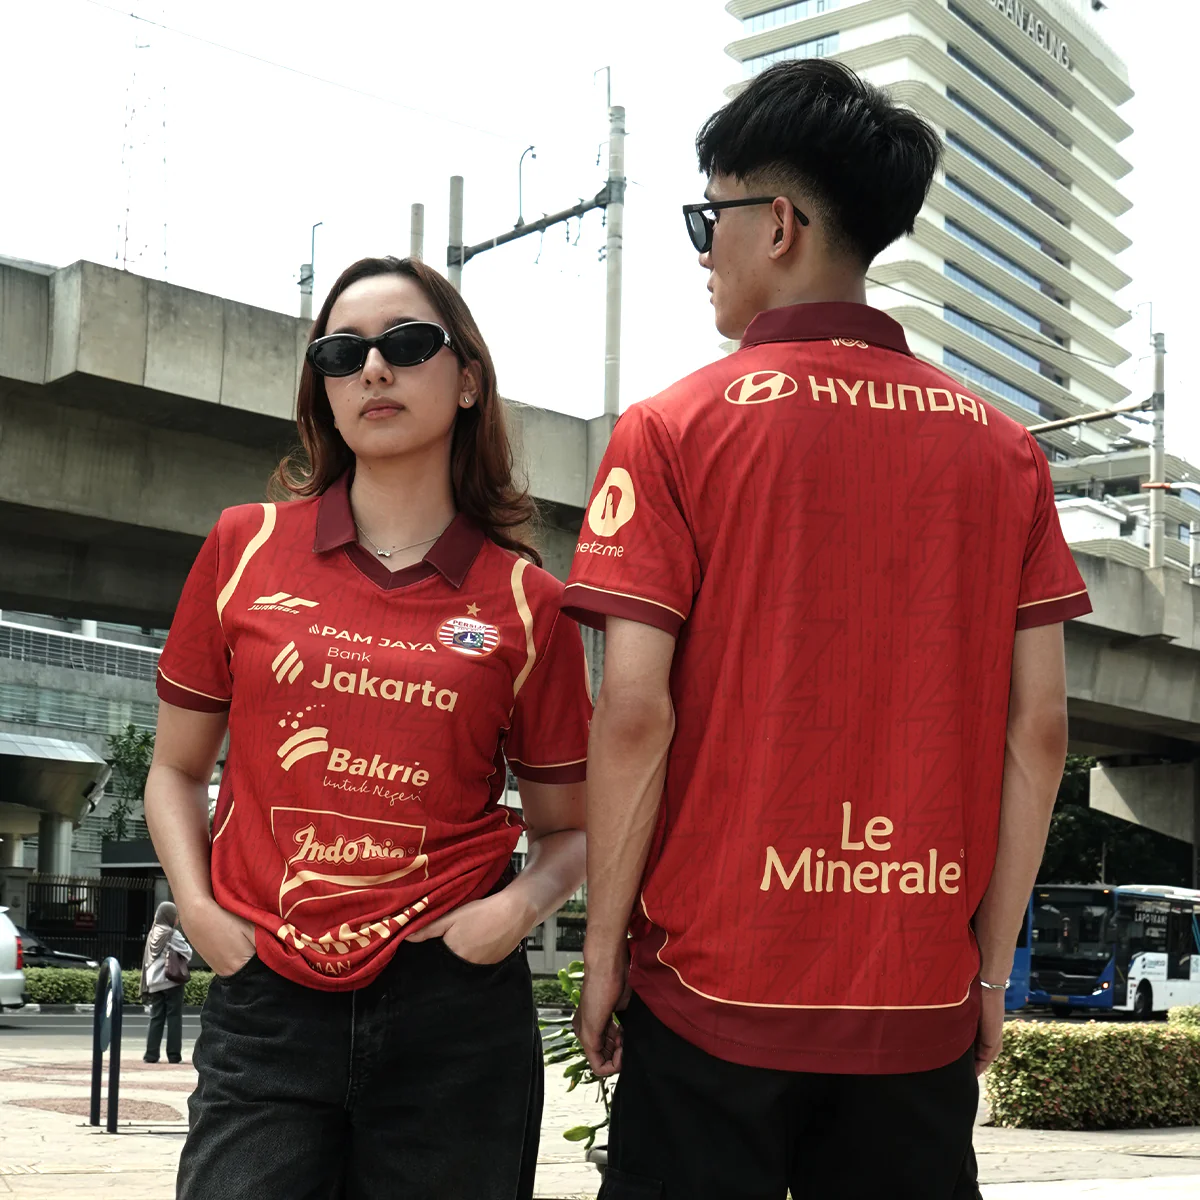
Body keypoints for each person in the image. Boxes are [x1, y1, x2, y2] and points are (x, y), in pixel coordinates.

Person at [562, 60, 1088, 1200]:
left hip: (711, 993)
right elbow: (1039, 731)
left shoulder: (673, 429)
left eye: (710, 216)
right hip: (915, 998)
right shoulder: (1005, 452)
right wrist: (986, 972)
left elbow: (636, 714)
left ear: (779, 224)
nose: (703, 249)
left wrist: (603, 952)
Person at [145, 256, 591, 1200]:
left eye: (408, 344)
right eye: (342, 354)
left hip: (453, 1007)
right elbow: (175, 772)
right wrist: (200, 913)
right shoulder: (244, 547)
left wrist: (512, 915)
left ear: (467, 379)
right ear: (324, 389)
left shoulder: (530, 602)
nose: (373, 370)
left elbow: (572, 829)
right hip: (268, 995)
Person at [140, 900, 191, 1064]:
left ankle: (151, 1055)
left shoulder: (152, 933)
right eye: (176, 916)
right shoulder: (171, 934)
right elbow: (188, 953)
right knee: (174, 1018)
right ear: (168, 916)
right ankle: (174, 1055)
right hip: (171, 981)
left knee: (156, 1018)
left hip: (154, 982)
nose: (177, 919)